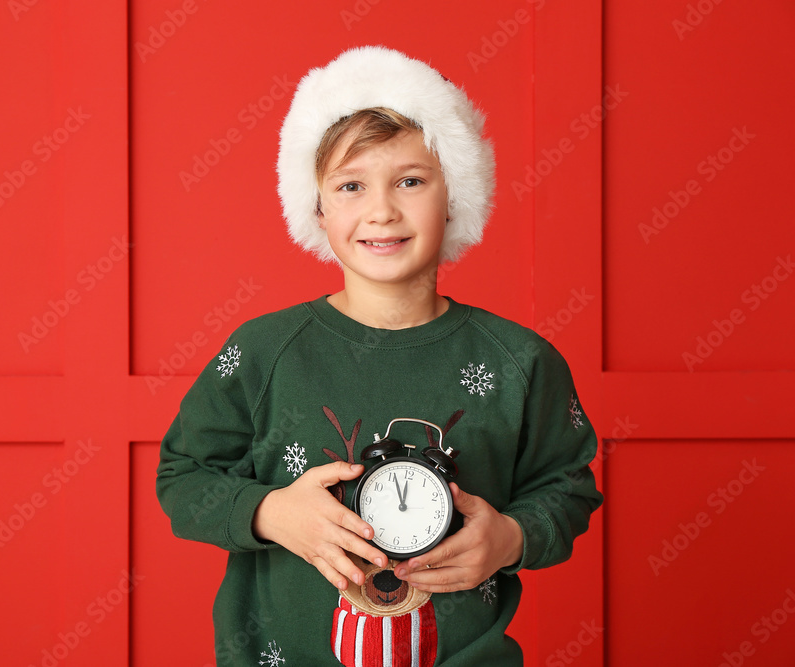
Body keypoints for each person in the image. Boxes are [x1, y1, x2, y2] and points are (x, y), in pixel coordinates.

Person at [156, 45, 602, 666]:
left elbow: (568, 486)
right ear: (317, 205)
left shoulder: (520, 361)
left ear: (456, 194)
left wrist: (509, 538)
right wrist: (270, 512)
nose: (382, 210)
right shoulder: (263, 352)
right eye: (351, 185)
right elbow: (183, 474)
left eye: (411, 181)